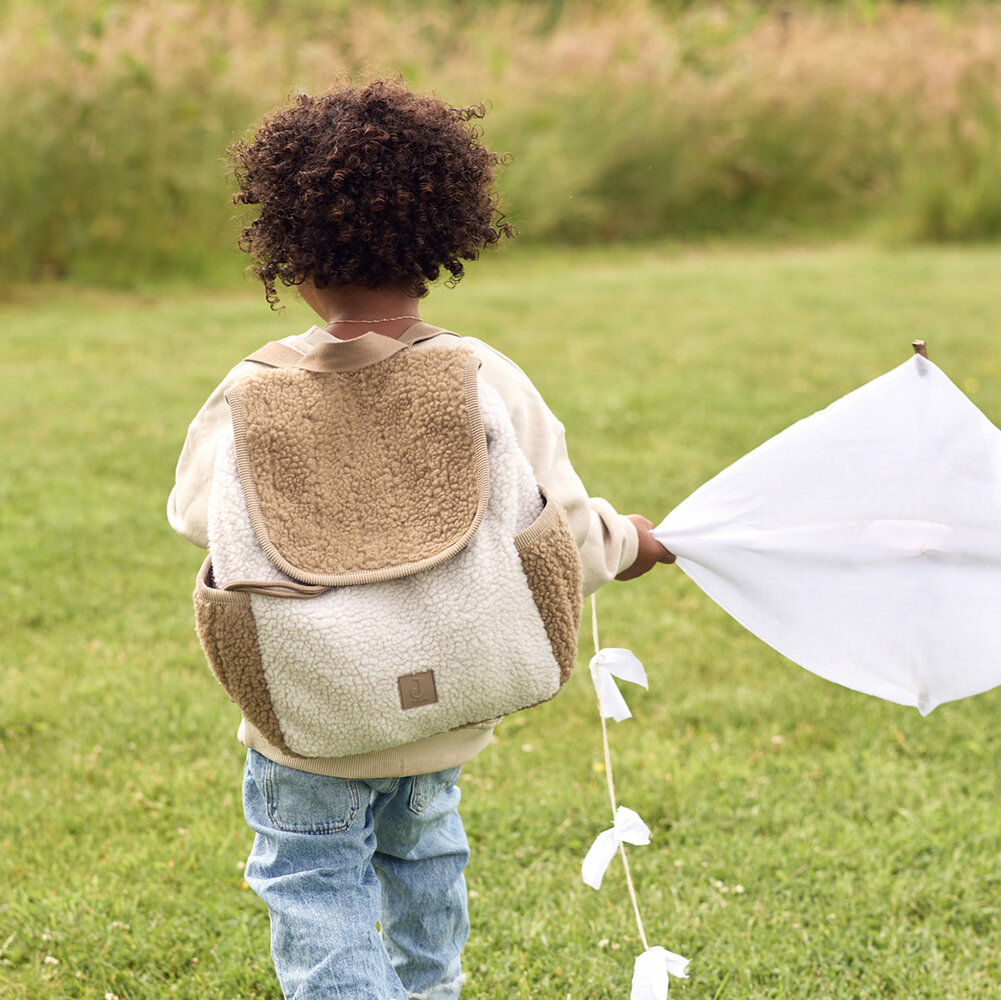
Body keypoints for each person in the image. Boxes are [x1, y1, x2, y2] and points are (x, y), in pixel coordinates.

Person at [167, 80, 674, 1000]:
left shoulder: (251, 391)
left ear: (293, 258)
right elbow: (558, 532)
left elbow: (197, 515)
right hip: (450, 705)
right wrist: (630, 541)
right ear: (440, 245)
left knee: (313, 883)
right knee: (426, 853)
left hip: (310, 717)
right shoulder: (481, 376)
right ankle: (431, 988)